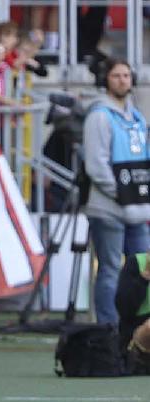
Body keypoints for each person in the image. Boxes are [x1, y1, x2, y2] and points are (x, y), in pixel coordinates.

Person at [83, 59, 150, 325]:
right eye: (116, 76)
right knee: (110, 271)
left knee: (143, 269)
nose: (123, 80)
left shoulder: (137, 117)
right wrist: (121, 192)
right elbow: (96, 165)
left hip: (137, 209)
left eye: (126, 75)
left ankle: (137, 329)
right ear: (105, 79)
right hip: (108, 208)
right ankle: (108, 330)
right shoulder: (99, 116)